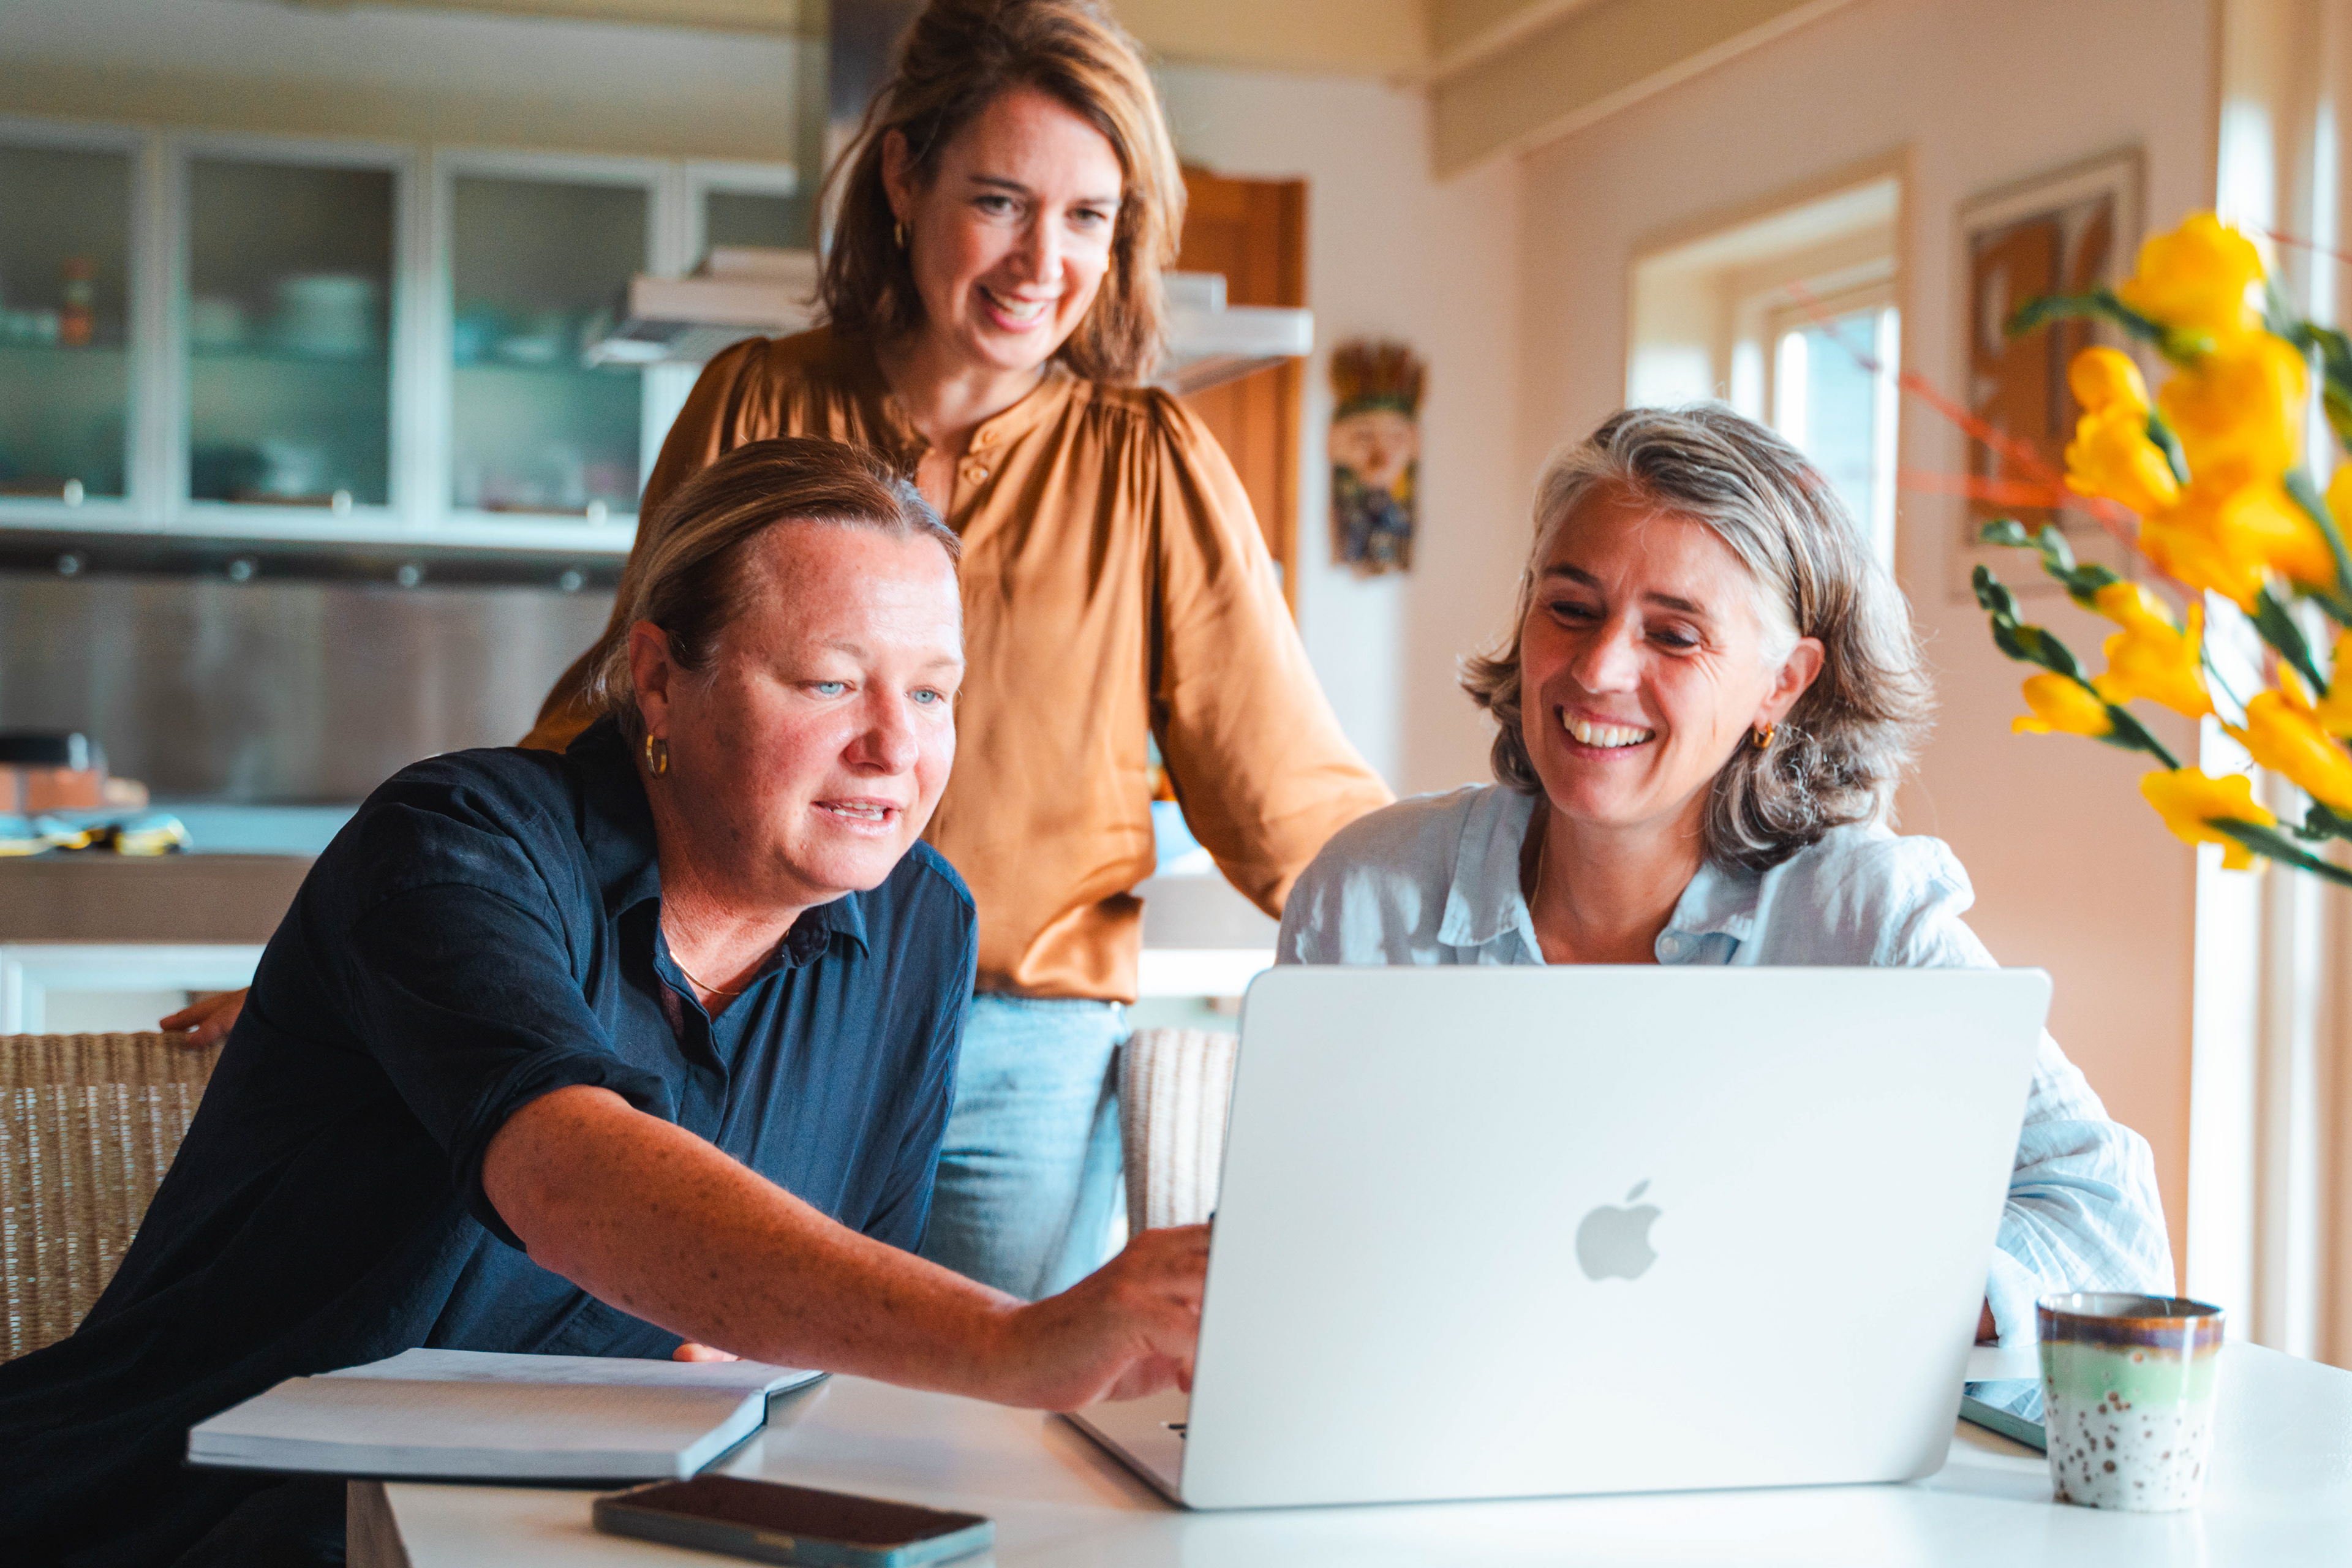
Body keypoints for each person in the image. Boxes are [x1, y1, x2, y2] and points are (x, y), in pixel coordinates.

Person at [7, 438, 1208, 1568]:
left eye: (934, 693)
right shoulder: (458, 840)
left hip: (551, 1537)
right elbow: (568, 1174)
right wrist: (1010, 1340)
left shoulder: (919, 922)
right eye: (831, 682)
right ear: (658, 680)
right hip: (184, 1521)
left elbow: (827, 1317)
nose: (895, 747)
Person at [1277, 405, 2175, 1346]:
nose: (1598, 668)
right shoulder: (1366, 895)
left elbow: (2112, 1234)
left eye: (1674, 635)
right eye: (1571, 609)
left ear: (1782, 682)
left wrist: (1878, 1286)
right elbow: (1285, 1240)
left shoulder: (1863, 922)